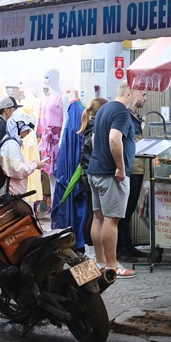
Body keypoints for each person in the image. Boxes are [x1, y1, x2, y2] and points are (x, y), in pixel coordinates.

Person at [87, 82, 141, 279]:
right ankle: (112, 265)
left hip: (95, 171)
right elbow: (114, 138)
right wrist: (120, 167)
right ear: (128, 93)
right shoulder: (121, 112)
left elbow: (94, 140)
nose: (139, 97)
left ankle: (100, 262)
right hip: (111, 174)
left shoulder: (104, 109)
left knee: (98, 218)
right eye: (138, 93)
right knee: (111, 220)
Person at [117, 88, 148, 263]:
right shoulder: (124, 115)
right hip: (129, 168)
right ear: (131, 94)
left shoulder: (134, 116)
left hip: (137, 168)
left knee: (129, 211)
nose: (145, 98)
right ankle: (121, 248)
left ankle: (128, 245)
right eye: (143, 94)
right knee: (124, 210)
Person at [77, 98, 107, 248]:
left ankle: (90, 248)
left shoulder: (89, 127)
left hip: (87, 172)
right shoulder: (97, 128)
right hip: (93, 172)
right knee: (95, 215)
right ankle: (92, 248)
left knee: (92, 213)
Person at [0, 111, 46, 195]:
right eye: (27, 129)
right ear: (19, 127)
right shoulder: (12, 145)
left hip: (12, 192)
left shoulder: (9, 141)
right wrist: (35, 165)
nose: (28, 132)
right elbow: (18, 170)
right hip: (13, 194)